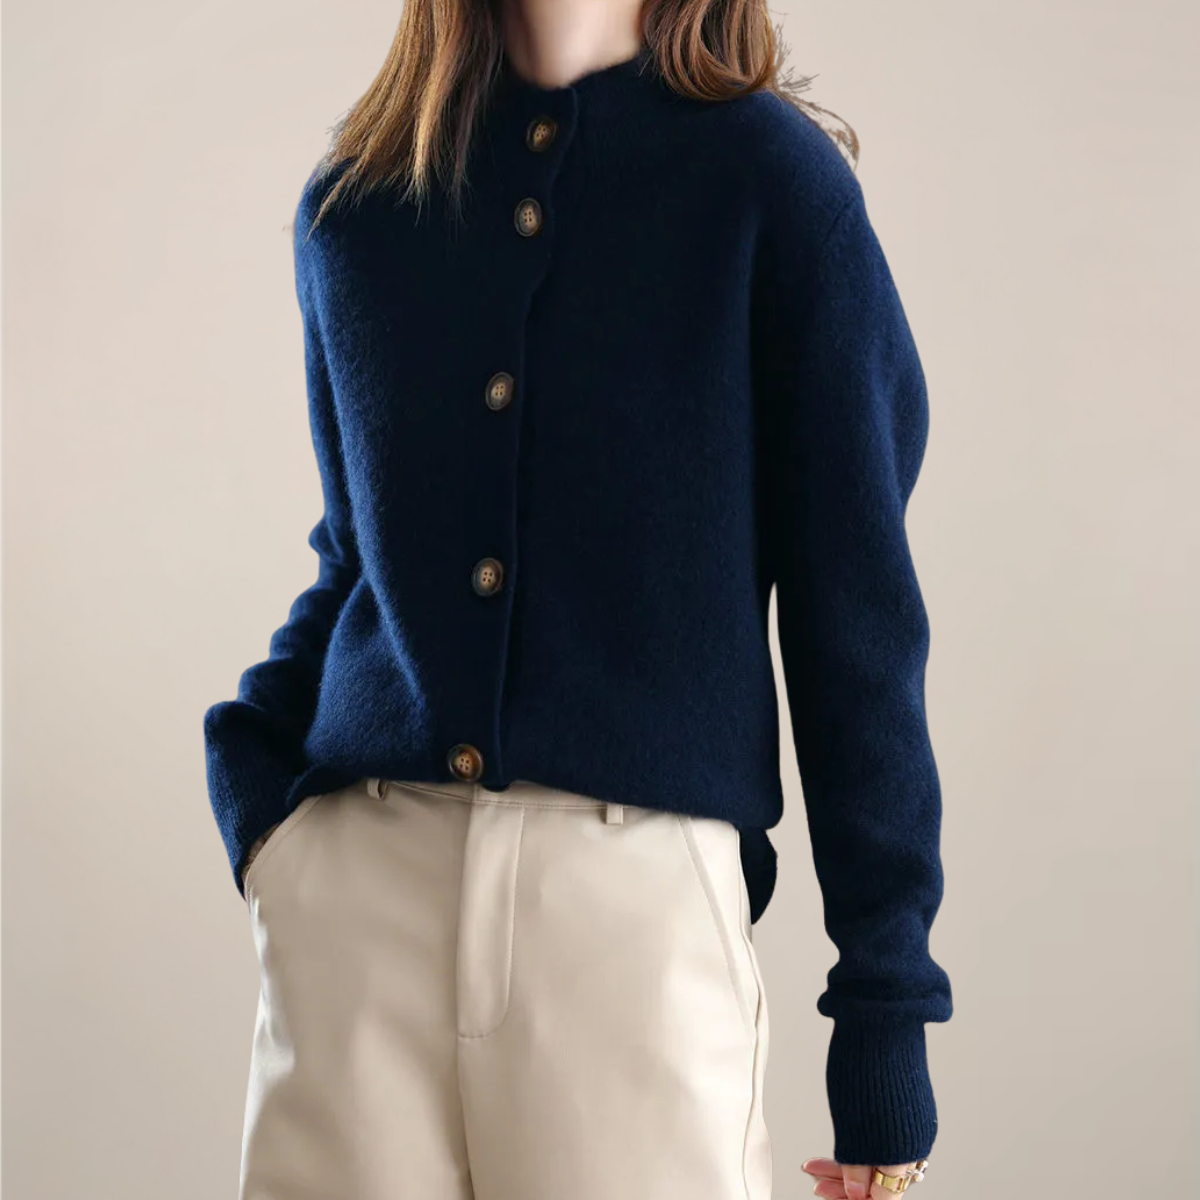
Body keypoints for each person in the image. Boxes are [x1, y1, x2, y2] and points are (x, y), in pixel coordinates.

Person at [202, 0, 953, 1196]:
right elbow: (355, 557)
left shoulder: (769, 188)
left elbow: (853, 619)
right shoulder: (361, 204)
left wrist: (884, 1018)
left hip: (631, 918)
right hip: (357, 917)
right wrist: (259, 799)